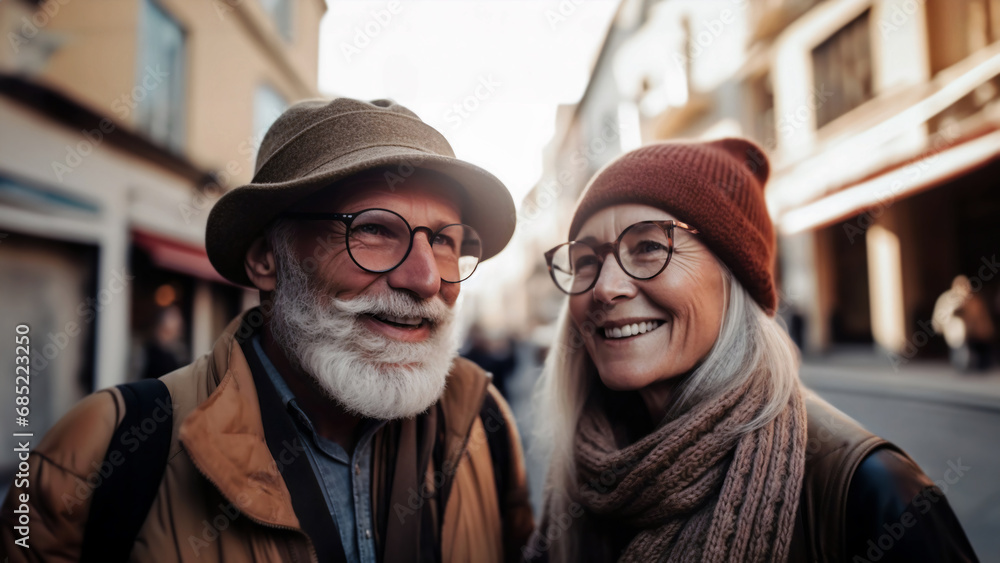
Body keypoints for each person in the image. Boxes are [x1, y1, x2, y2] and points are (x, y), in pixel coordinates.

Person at [1, 98, 534, 562]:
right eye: (373, 229)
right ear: (266, 260)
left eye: (444, 241)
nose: (423, 279)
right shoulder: (102, 449)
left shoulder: (483, 423)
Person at [524, 139, 977, 562]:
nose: (605, 287)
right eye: (586, 261)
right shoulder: (576, 480)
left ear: (733, 279)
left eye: (647, 247)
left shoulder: (872, 491)